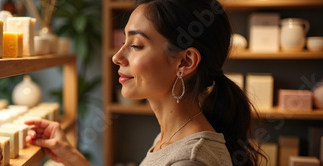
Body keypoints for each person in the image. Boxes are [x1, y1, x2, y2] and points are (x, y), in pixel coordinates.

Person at [25, 0, 266, 165]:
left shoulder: (190, 158)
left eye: (136, 45)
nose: (117, 57)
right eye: (123, 42)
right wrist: (72, 157)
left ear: (185, 61)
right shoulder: (169, 139)